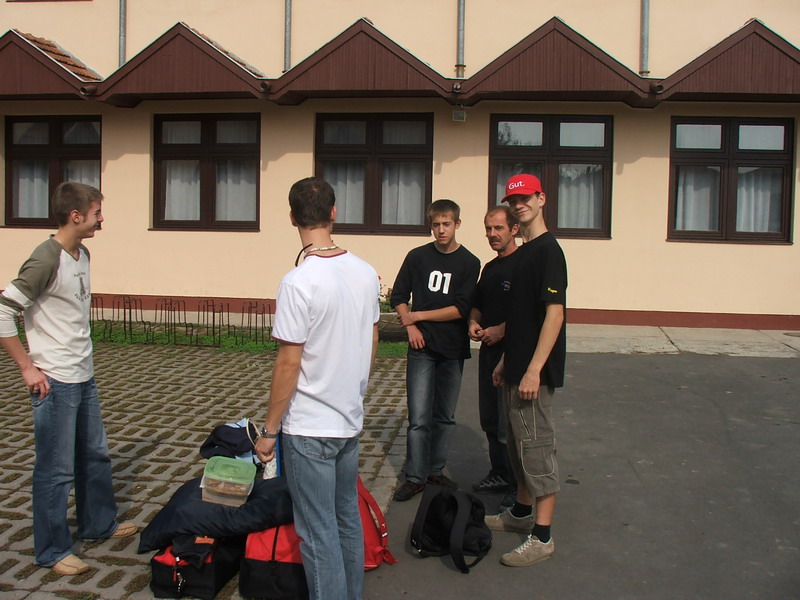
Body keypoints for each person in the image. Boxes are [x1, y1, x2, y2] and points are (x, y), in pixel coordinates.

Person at [0, 182, 137, 576]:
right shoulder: (45, 259)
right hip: (54, 381)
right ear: (75, 216)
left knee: (95, 455)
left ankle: (98, 524)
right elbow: (4, 312)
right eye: (96, 213)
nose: (101, 219)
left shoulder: (82, 253)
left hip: (83, 375)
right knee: (56, 470)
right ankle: (52, 550)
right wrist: (27, 367)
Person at [254, 177, 379, 600]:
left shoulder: (297, 282)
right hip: (348, 419)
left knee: (317, 530)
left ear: (292, 218)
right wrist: (356, 388)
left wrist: (269, 431)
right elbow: (372, 336)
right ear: (333, 213)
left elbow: (289, 362)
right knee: (346, 518)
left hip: (309, 426)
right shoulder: (365, 272)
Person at [486, 174, 568, 568]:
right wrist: (507, 361)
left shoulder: (549, 251)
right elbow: (521, 318)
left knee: (537, 451)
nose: (519, 205)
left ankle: (542, 537)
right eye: (513, 200)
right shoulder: (524, 252)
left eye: (525, 198)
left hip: (535, 373)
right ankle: (520, 514)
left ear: (541, 198)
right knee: (517, 449)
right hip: (516, 367)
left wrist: (534, 369)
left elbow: (555, 314)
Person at [390, 199, 480, 501]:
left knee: (444, 416)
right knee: (419, 417)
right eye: (436, 224)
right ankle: (415, 476)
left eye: (447, 224)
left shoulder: (470, 262)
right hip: (422, 348)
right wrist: (411, 326)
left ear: (457, 224)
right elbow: (399, 296)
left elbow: (460, 309)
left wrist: (418, 315)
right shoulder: (417, 257)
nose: (441, 230)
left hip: (452, 348)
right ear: (430, 225)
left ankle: (434, 471)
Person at [467, 206, 520, 508]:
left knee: (508, 426)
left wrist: (502, 330)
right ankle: (499, 472)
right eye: (488, 229)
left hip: (512, 354)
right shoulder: (489, 268)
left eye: (498, 228)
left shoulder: (524, 265)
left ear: (514, 229)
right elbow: (477, 304)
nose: (492, 234)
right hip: (488, 352)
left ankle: (517, 486)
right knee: (489, 420)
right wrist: (474, 322)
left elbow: (532, 313)